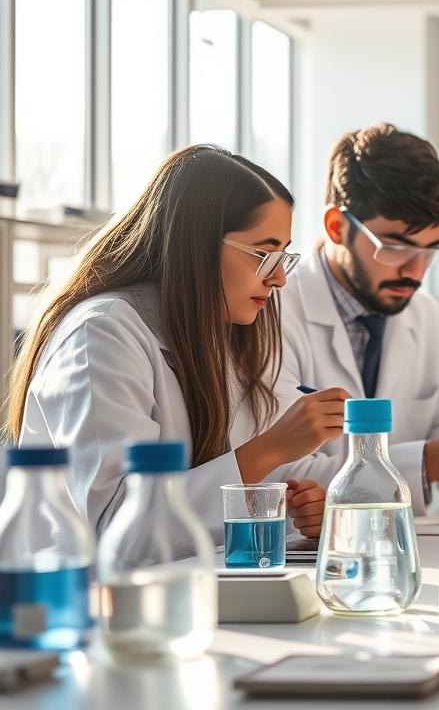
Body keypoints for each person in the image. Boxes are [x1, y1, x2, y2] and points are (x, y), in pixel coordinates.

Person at [7, 146, 331, 542]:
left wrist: (297, 503)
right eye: (264, 254)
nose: (279, 277)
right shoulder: (100, 335)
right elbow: (111, 528)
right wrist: (270, 450)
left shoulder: (217, 334)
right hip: (87, 597)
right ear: (196, 242)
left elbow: (231, 477)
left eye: (283, 256)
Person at [273, 123, 439, 514]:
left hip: (404, 553)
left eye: (430, 250)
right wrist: (426, 462)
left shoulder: (427, 317)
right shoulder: (274, 312)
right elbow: (276, 476)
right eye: (394, 246)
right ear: (337, 227)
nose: (416, 271)